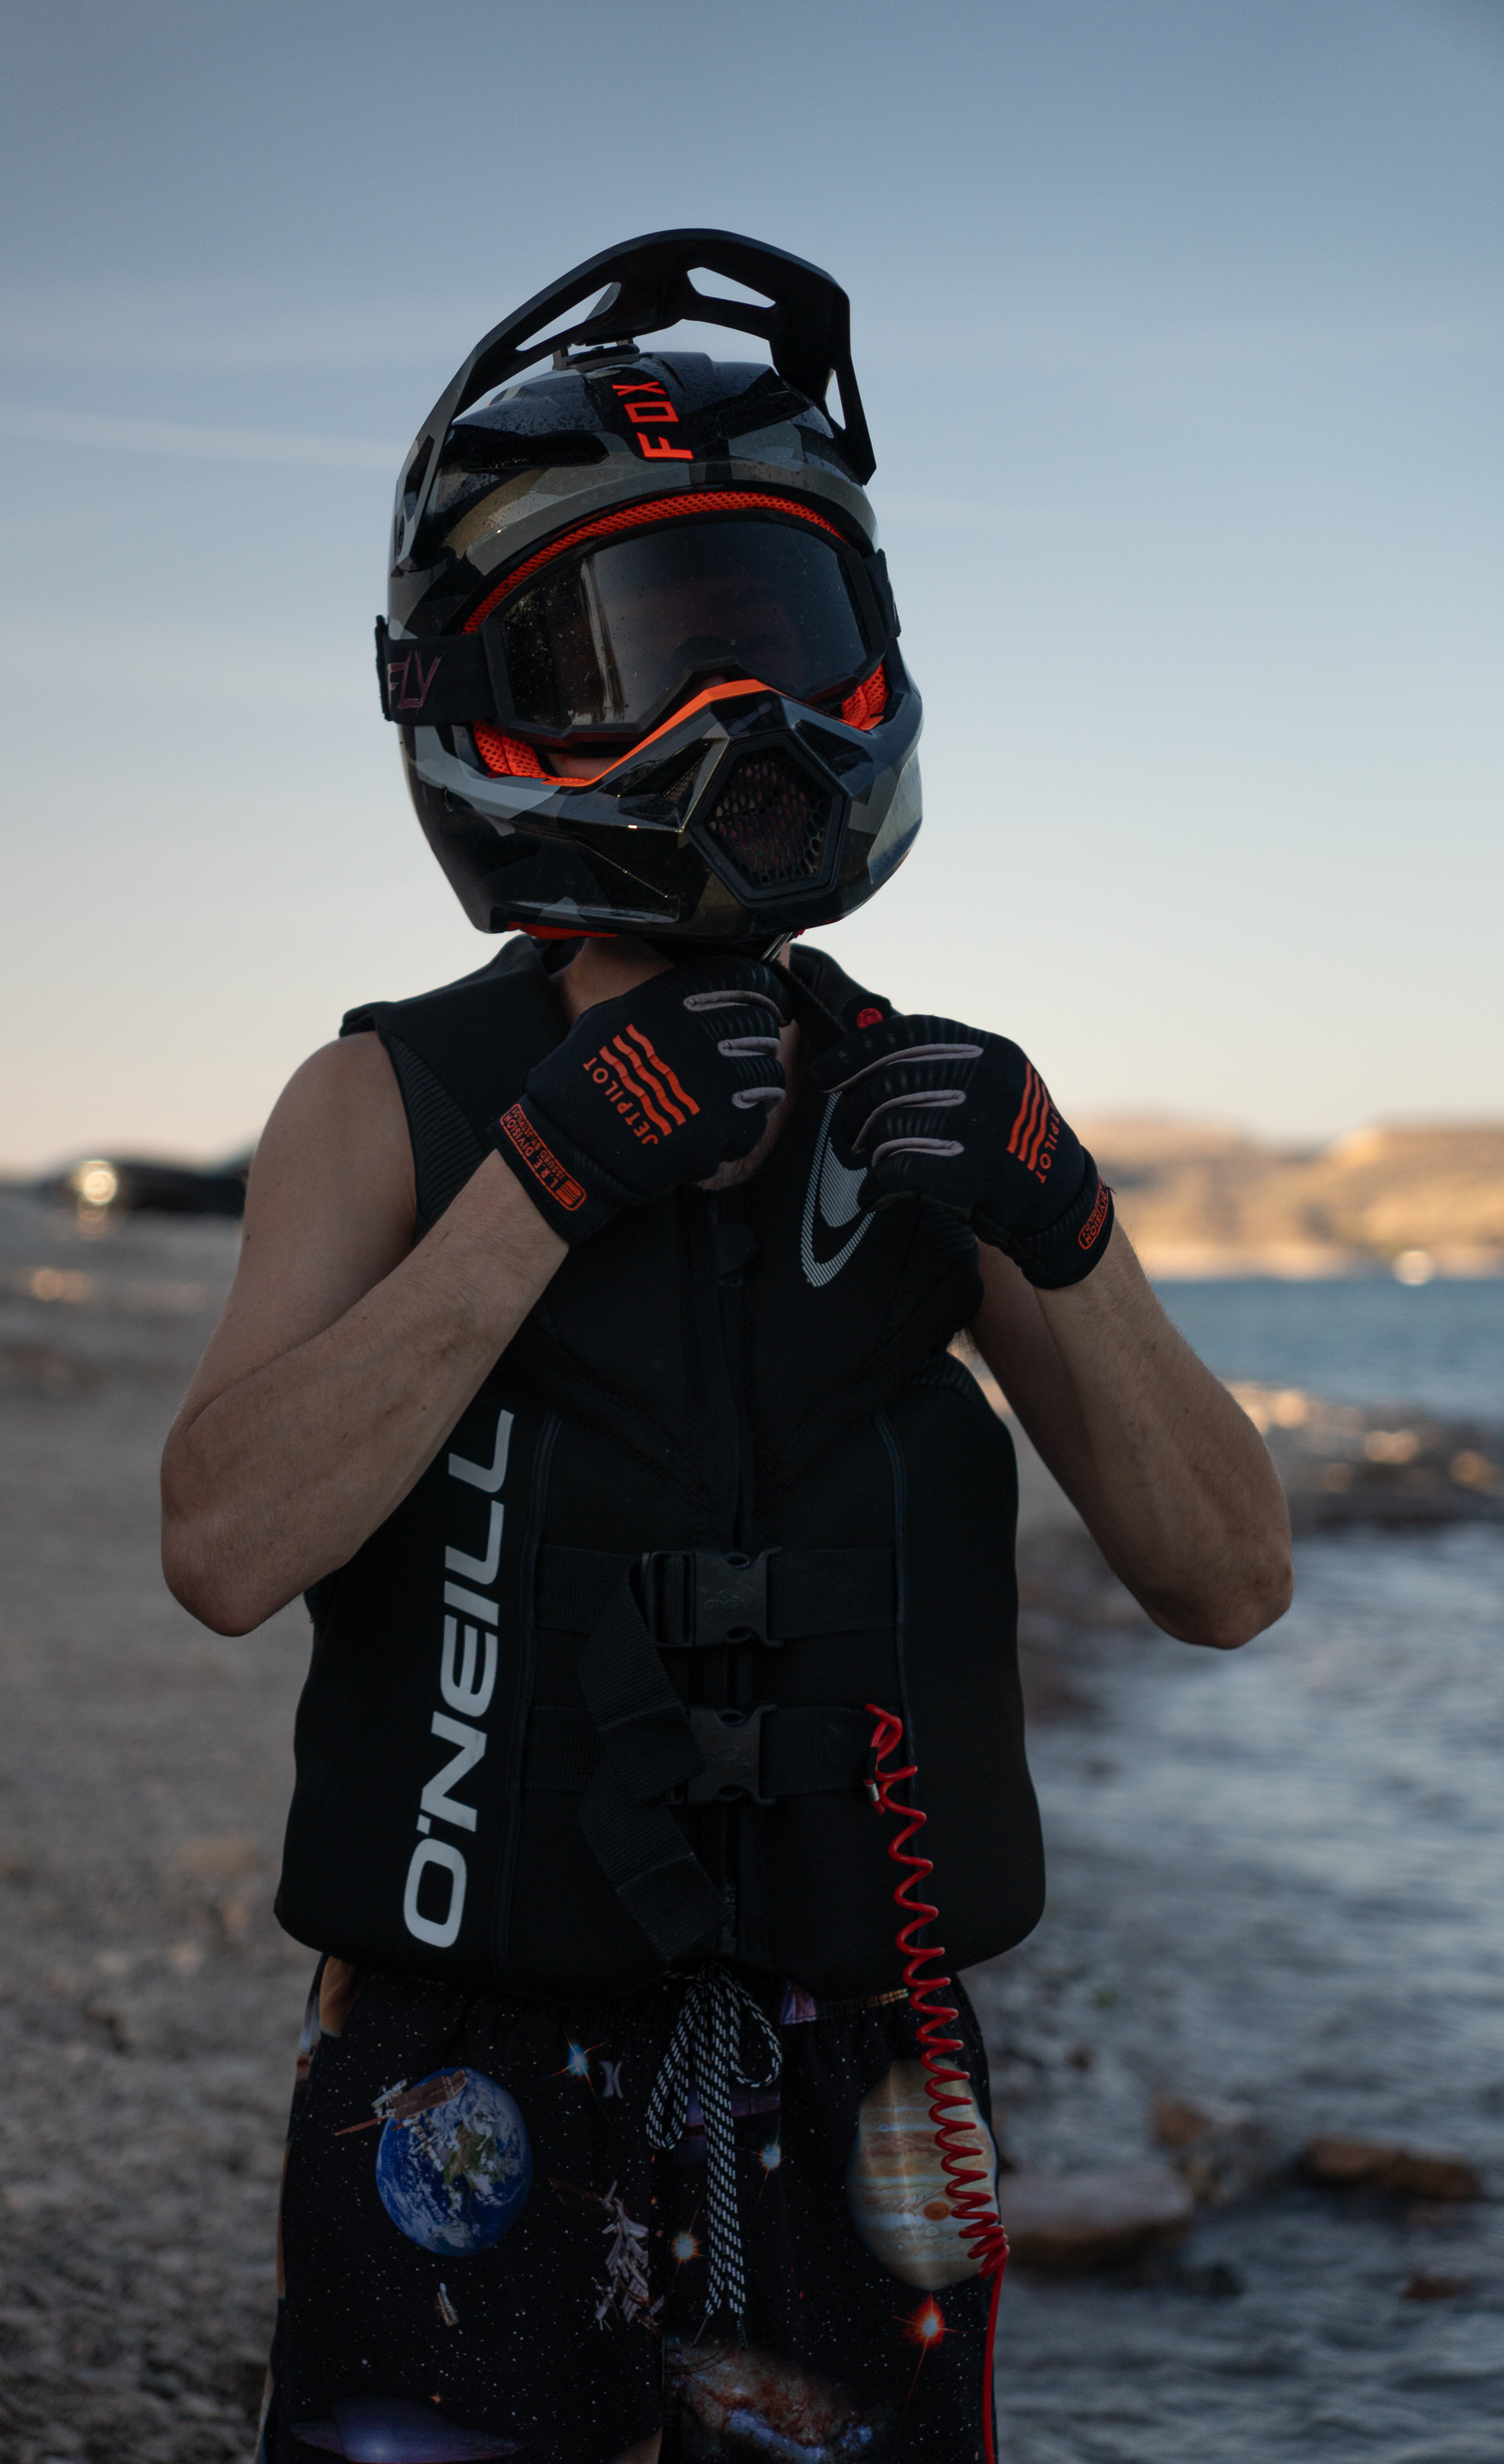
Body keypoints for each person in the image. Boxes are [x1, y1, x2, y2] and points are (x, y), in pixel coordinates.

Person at [160, 232, 1291, 2464]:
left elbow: (1226, 1580)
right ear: (484, 698)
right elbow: (222, 1543)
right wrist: (543, 1186)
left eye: (773, 647)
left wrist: (1068, 1226)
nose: (734, 726)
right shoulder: (383, 1102)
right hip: (463, 2064)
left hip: (869, 2066)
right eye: (638, 662)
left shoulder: (938, 1116)